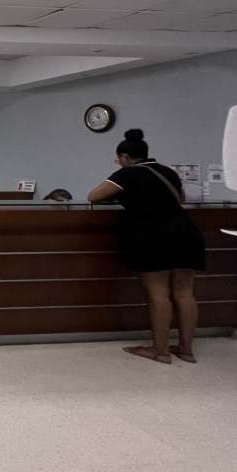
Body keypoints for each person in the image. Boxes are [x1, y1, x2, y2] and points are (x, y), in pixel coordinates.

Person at [87, 129, 205, 364]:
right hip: (186, 233)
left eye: (119, 159)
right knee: (185, 293)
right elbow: (180, 199)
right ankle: (186, 350)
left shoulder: (127, 174)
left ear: (124, 157)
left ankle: (160, 351)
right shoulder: (168, 172)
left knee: (158, 293)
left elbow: (93, 196)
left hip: (152, 236)